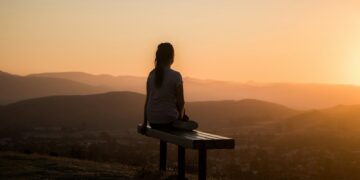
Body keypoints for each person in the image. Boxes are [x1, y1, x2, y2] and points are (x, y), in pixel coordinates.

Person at [140, 42, 198, 134]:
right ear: (172, 57)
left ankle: (181, 121)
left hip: (153, 121)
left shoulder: (151, 75)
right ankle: (181, 122)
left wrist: (144, 123)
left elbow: (148, 101)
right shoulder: (176, 76)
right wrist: (180, 118)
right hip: (168, 120)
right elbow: (181, 102)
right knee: (182, 110)